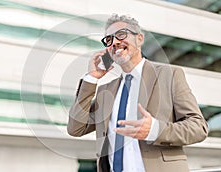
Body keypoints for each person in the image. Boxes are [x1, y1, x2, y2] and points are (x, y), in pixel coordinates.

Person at [67, 14, 208, 172]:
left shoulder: (169, 75)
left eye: (121, 34)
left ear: (139, 39)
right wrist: (91, 79)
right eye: (109, 40)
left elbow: (198, 127)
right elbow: (75, 128)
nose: (115, 42)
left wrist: (155, 130)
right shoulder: (105, 90)